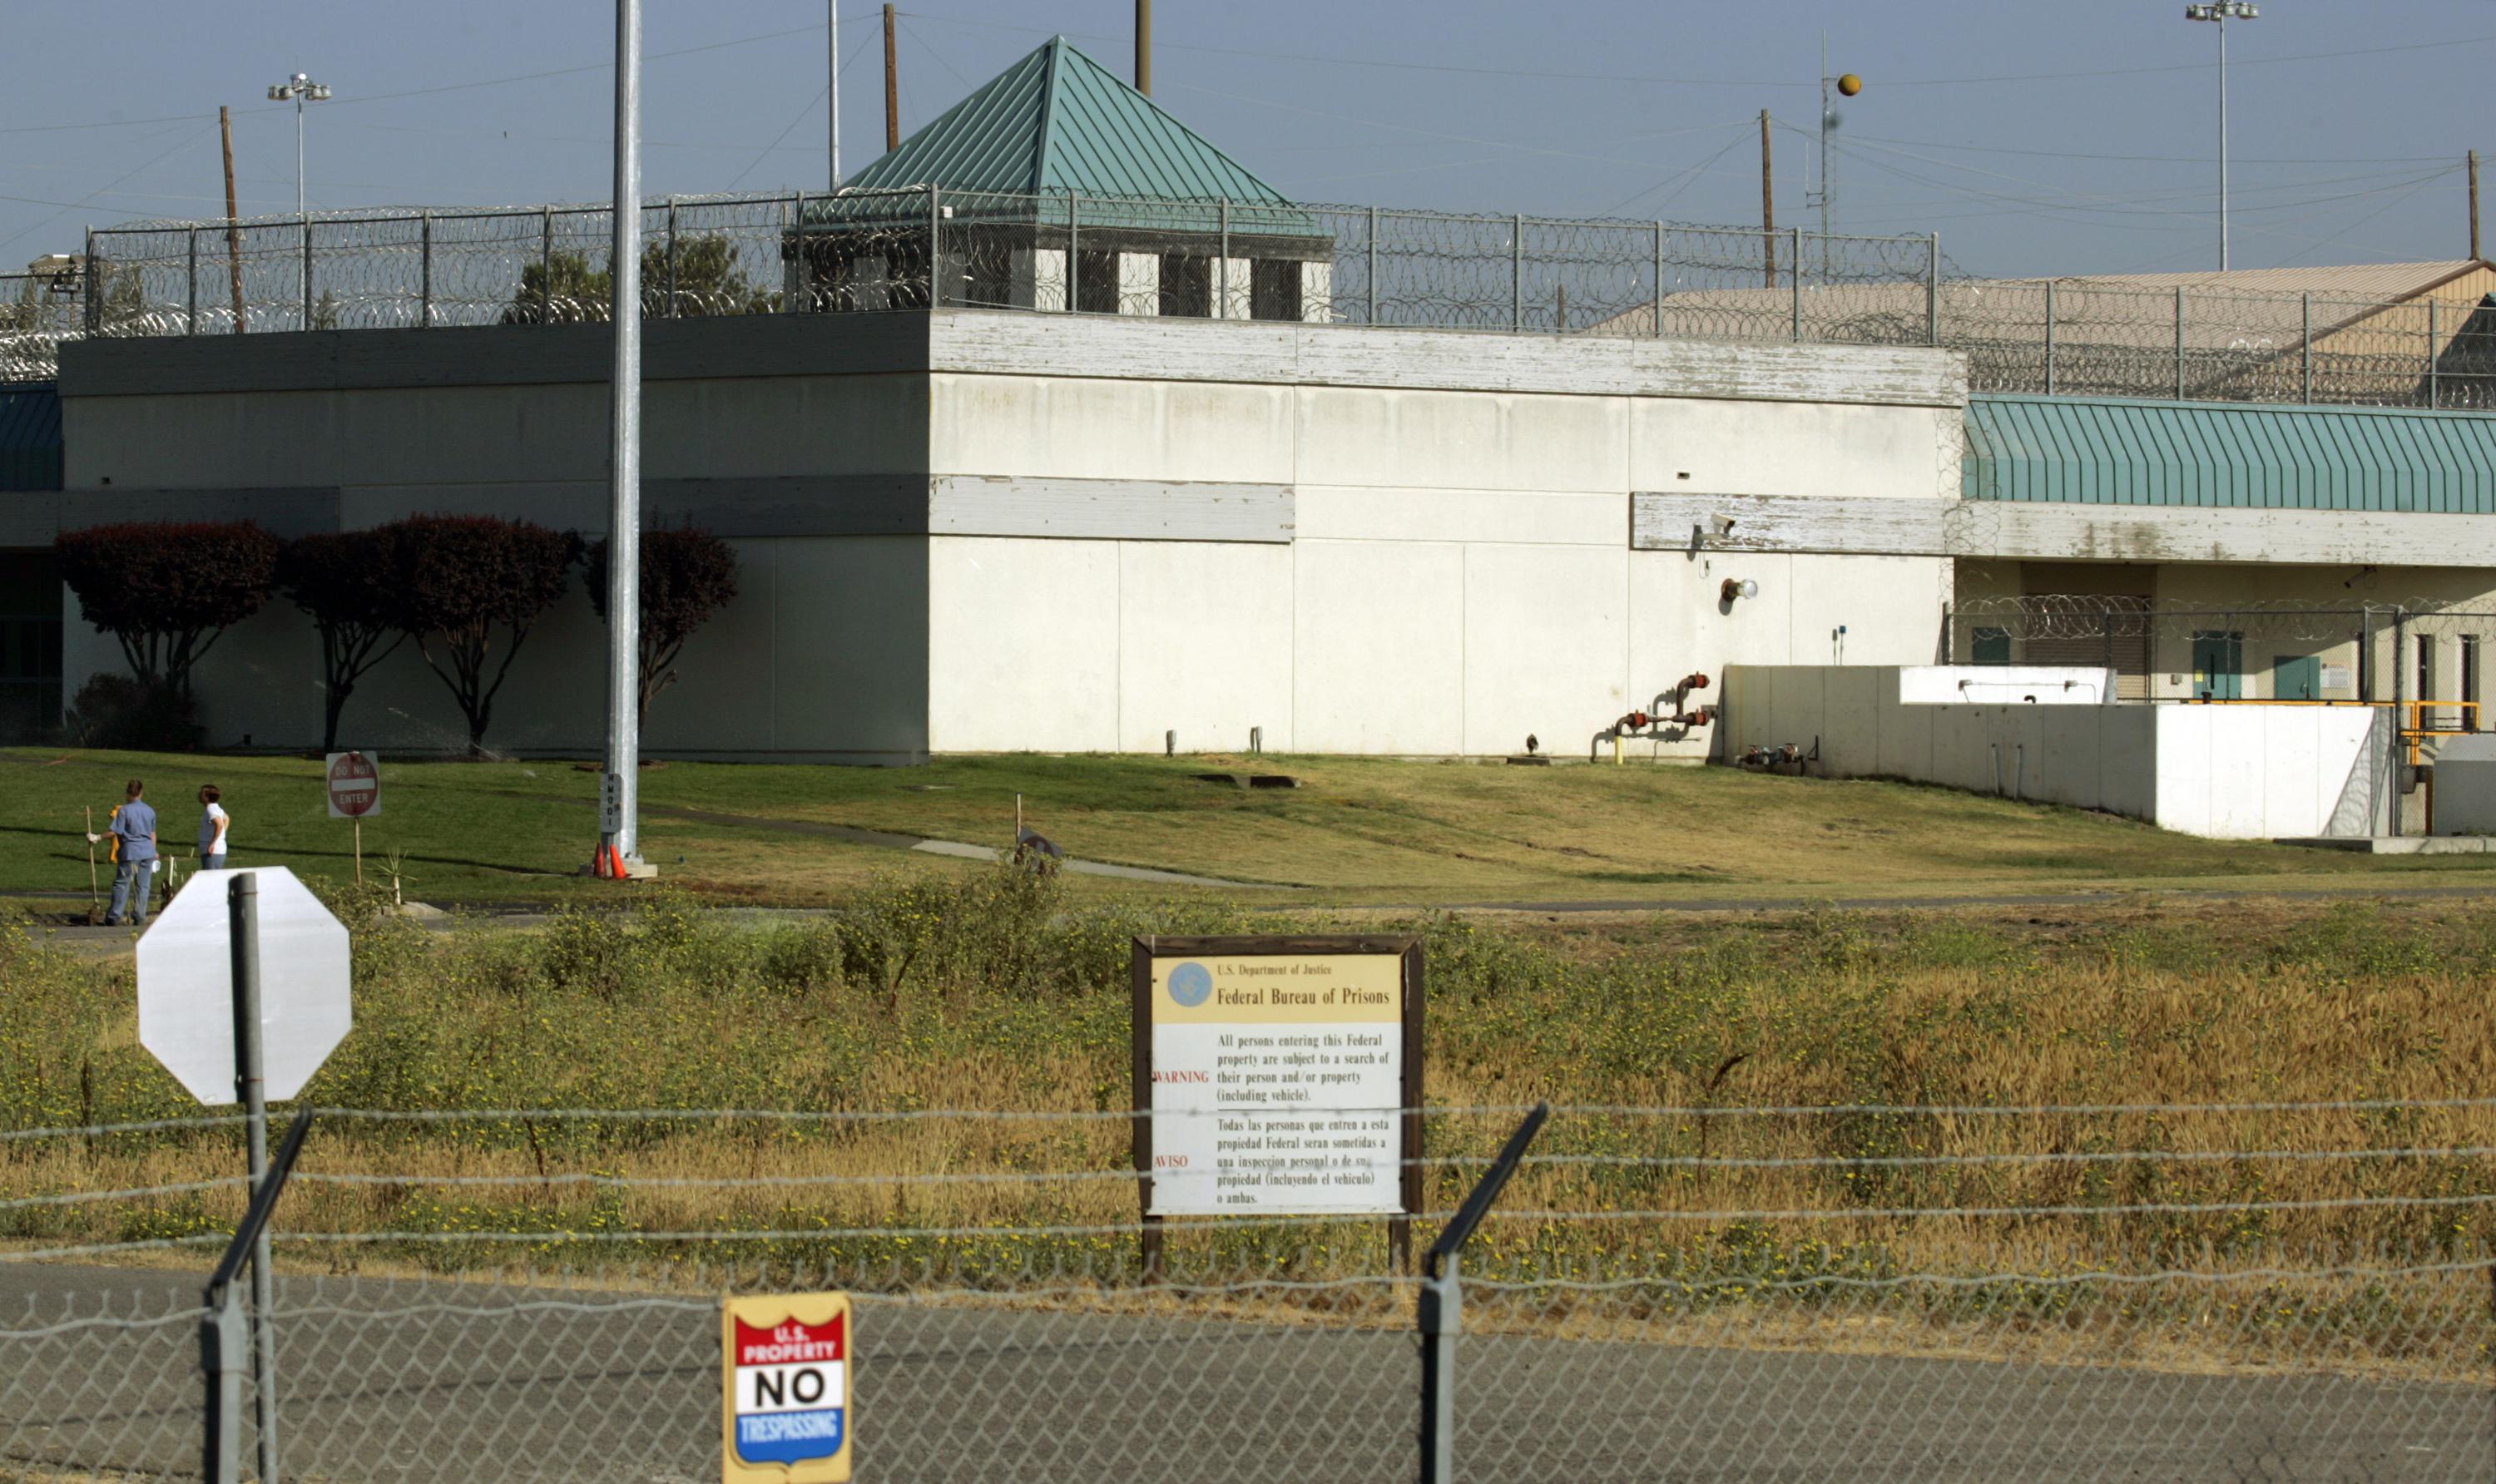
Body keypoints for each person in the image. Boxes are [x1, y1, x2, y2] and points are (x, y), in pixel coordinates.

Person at [100, 779, 158, 927]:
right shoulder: (150, 811)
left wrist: (97, 837)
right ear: (141, 793)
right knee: (143, 886)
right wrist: (154, 850)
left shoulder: (125, 810)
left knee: (122, 884)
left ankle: (114, 916)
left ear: (128, 793)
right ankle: (139, 916)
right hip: (147, 852)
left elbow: (115, 831)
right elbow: (152, 834)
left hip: (131, 852)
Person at [198, 784, 230, 869]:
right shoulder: (216, 807)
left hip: (212, 851)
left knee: (211, 879)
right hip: (217, 850)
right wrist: (221, 835)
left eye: (201, 793)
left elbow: (219, 824)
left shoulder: (210, 809)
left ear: (206, 797)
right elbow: (226, 819)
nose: (199, 794)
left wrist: (213, 843)